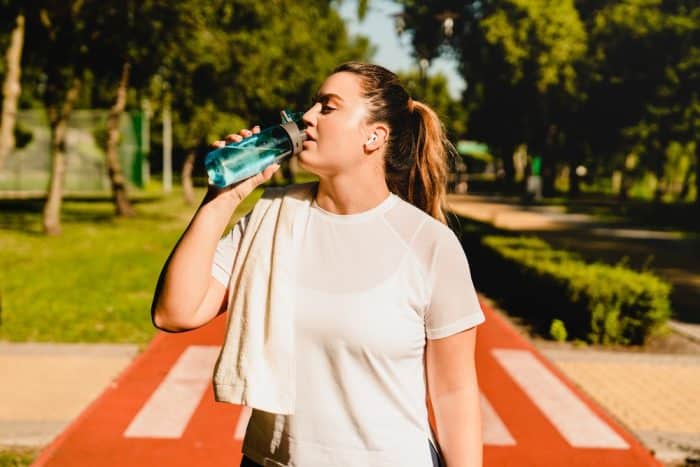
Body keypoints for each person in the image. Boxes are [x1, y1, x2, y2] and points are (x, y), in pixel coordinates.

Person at [151, 61, 486, 467]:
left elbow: (455, 393)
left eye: (328, 107)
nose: (306, 117)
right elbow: (175, 312)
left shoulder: (429, 244)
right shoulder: (270, 216)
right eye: (312, 105)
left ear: (373, 136)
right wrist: (222, 198)